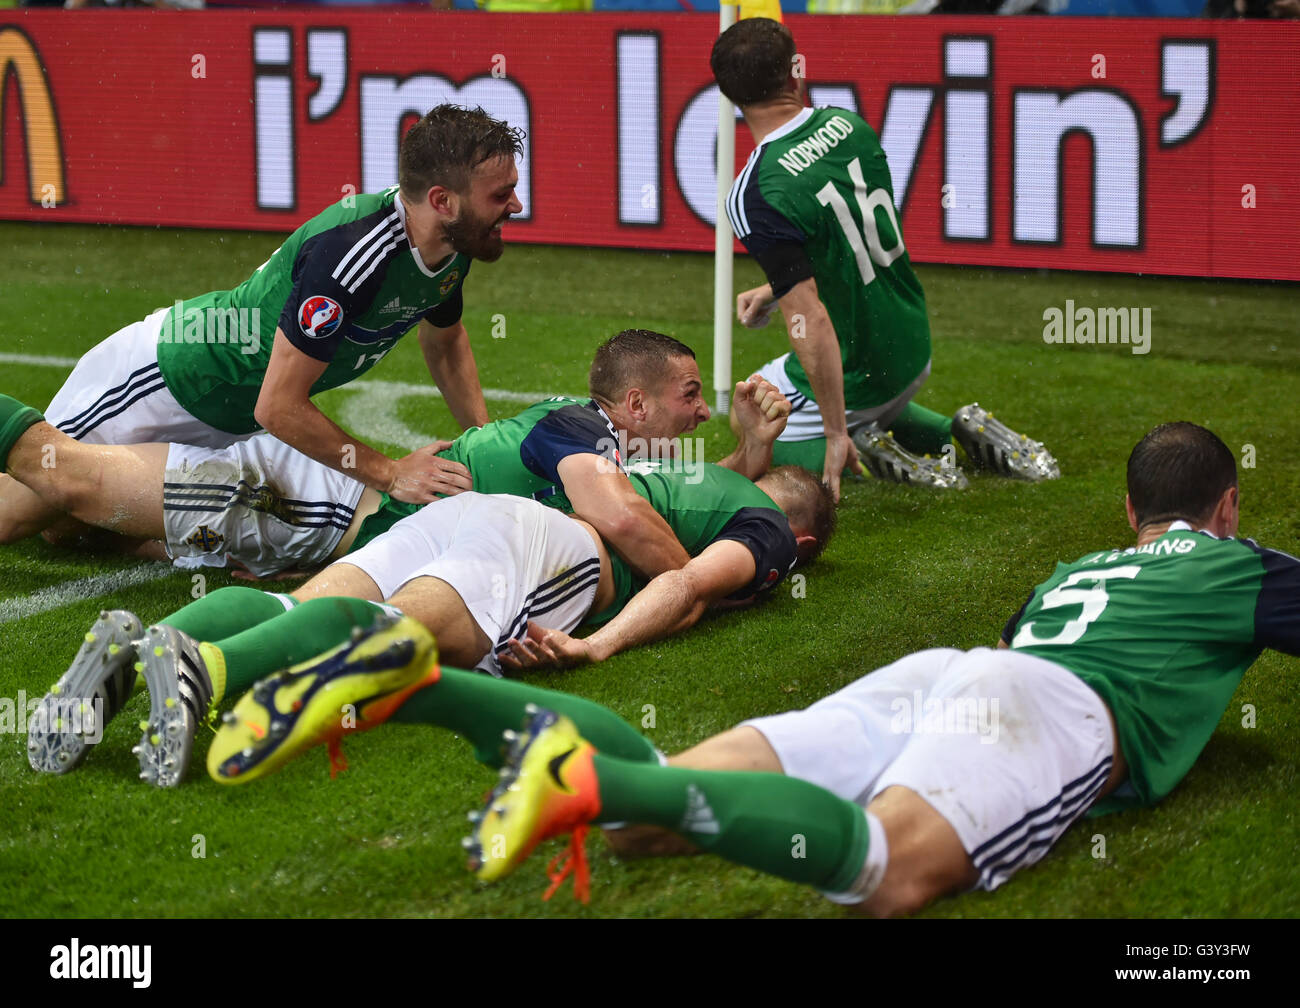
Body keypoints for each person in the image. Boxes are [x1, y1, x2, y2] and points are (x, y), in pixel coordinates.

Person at [381, 421, 1287, 915]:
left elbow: (1010, 652)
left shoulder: (1077, 572)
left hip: (950, 673)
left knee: (637, 820)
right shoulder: (1239, 560)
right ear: (1230, 504)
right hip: (1052, 709)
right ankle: (563, 774)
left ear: (1130, 510)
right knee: (891, 871)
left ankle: (418, 686)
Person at [26, 458, 833, 788]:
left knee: (299, 611)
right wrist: (597, 643)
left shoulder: (697, 476)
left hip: (481, 510)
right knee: (396, 639)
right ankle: (206, 673)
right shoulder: (766, 528)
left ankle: (149, 646)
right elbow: (690, 584)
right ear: (798, 542)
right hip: (550, 551)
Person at [0, 104, 524, 547]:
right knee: (26, 509)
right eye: (500, 196)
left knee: (80, 534)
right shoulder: (354, 257)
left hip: (229, 421)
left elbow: (446, 340)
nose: (516, 206)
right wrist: (391, 474)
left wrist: (479, 441)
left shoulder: (451, 245)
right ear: (442, 201)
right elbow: (278, 406)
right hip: (167, 381)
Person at [0, 330, 787, 580]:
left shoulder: (604, 443)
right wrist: (697, 589)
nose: (701, 409)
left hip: (323, 518)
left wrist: (747, 454)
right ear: (637, 406)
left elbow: (669, 498)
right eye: (689, 394)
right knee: (63, 477)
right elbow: (622, 517)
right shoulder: (583, 431)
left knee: (74, 529)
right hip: (317, 506)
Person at [712, 18, 1060, 500]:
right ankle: (954, 430)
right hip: (913, 343)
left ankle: (863, 448)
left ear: (730, 97)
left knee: (750, 412)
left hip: (863, 372)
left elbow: (810, 317)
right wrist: (776, 289)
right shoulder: (847, 124)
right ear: (795, 73)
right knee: (859, 392)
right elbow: (852, 241)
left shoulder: (755, 191)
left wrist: (835, 432)